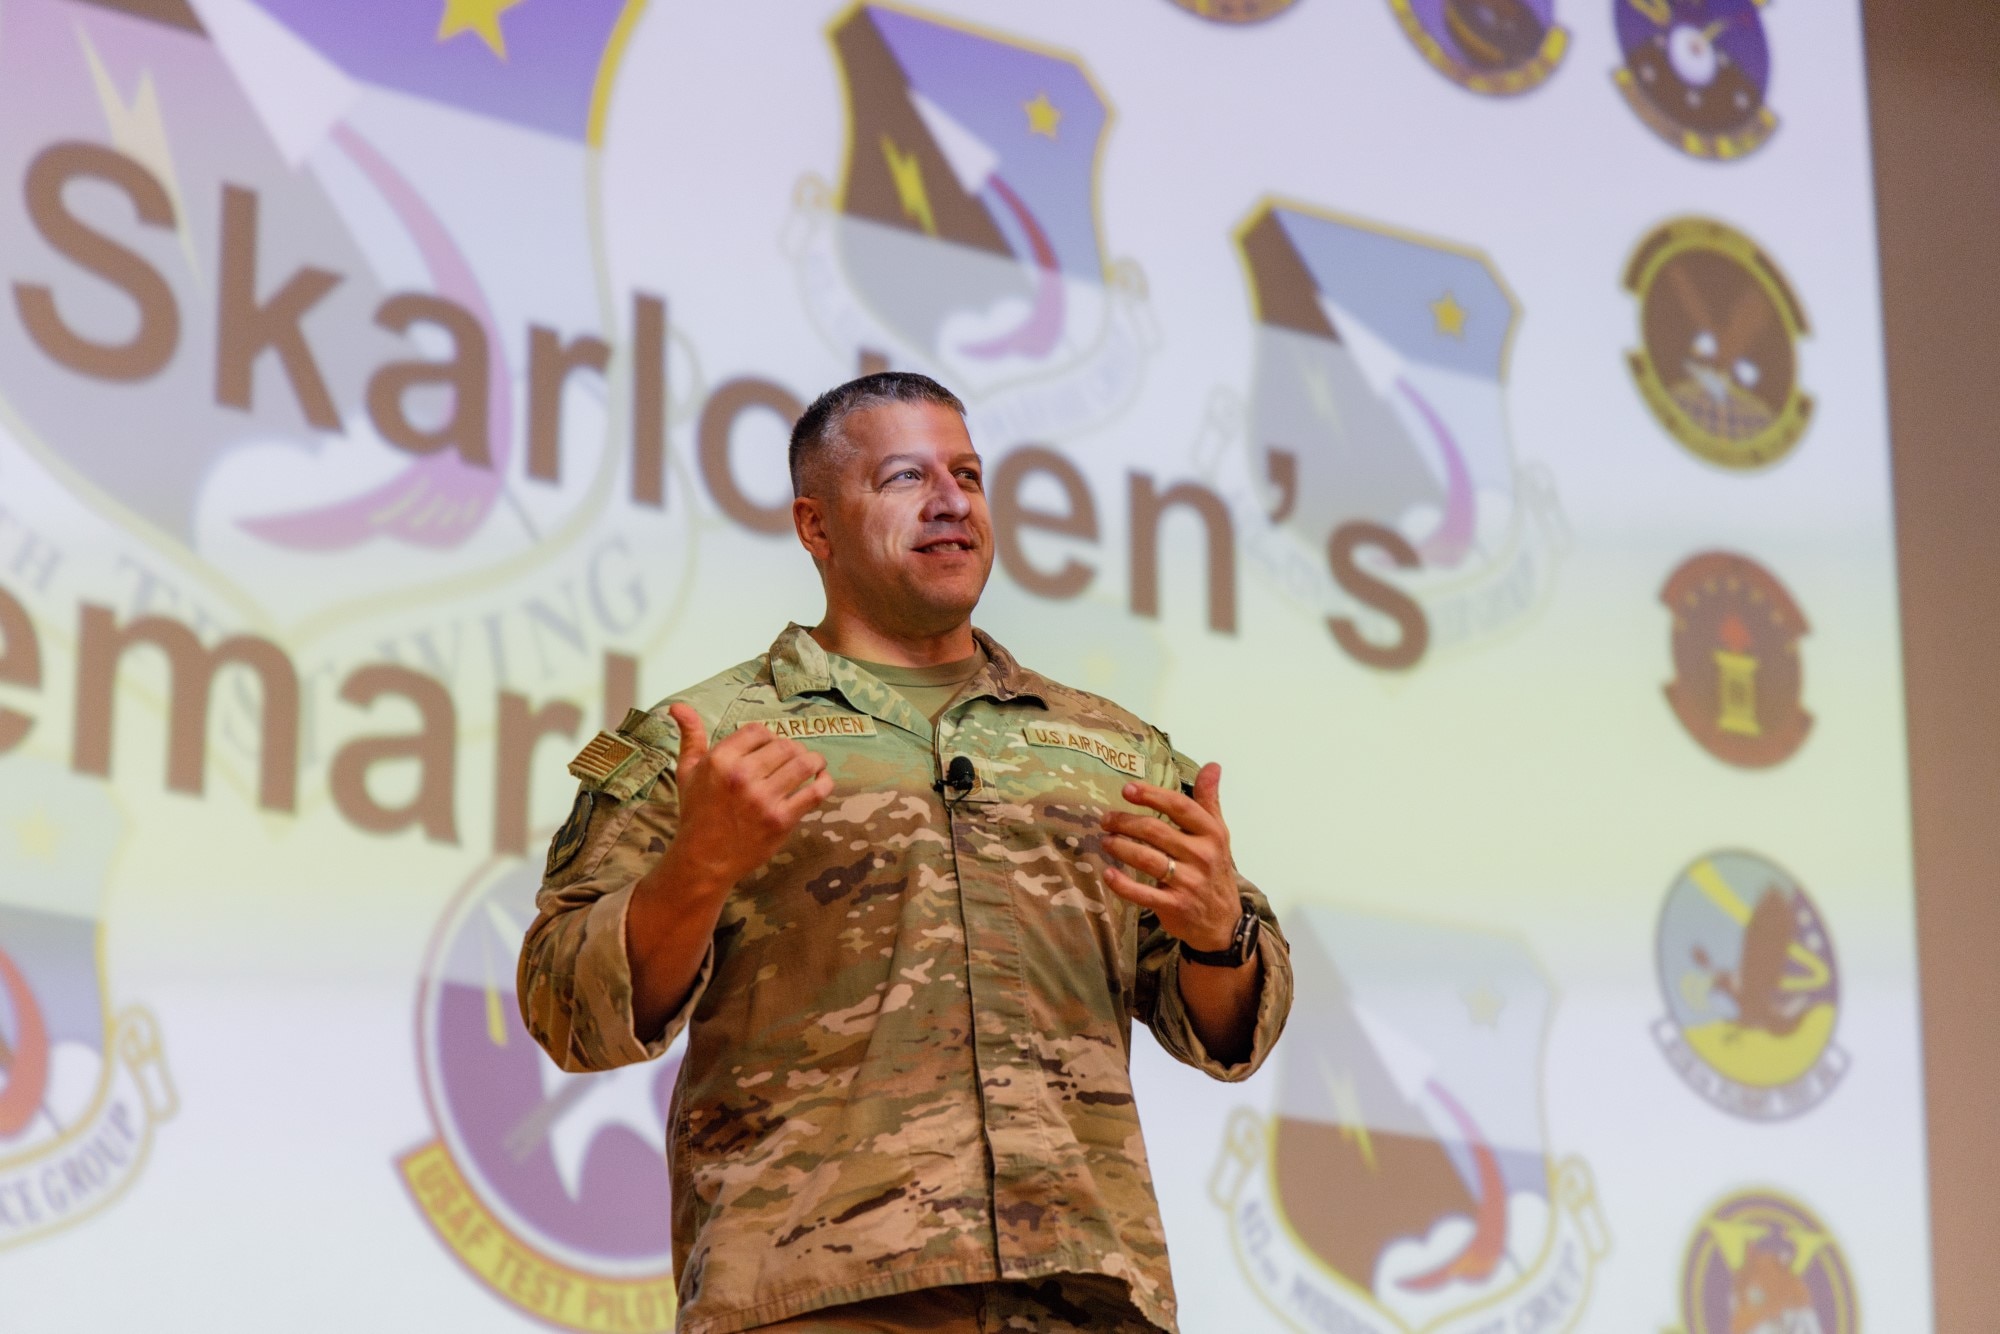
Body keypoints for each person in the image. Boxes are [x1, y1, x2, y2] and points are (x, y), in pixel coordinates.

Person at [518, 372, 1292, 1333]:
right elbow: (564, 1007)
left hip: (1085, 1292)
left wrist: (1220, 936)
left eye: (967, 473)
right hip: (818, 1293)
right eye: (904, 478)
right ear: (816, 526)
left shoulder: (1111, 750)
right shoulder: (703, 745)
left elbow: (1225, 1029)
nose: (951, 500)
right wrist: (696, 870)